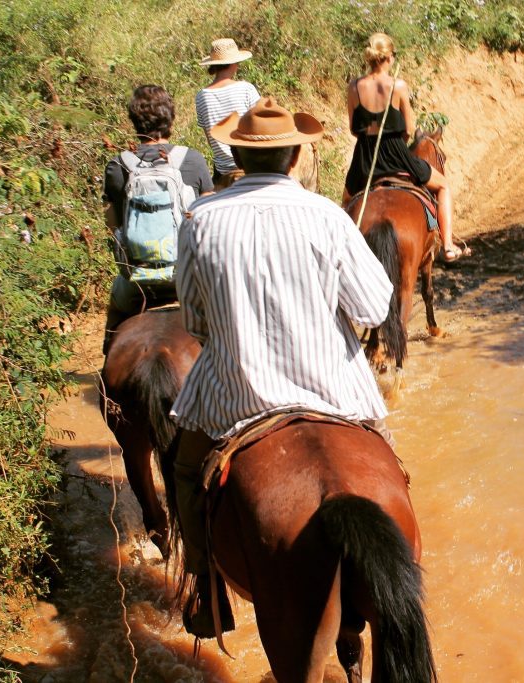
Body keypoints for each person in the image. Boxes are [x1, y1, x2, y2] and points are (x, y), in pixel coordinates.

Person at [169, 97, 395, 638]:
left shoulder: (200, 220)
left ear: (238, 156)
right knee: (387, 467)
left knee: (183, 470)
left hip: (235, 399)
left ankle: (206, 589)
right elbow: (372, 309)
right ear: (295, 157)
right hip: (336, 394)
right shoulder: (328, 216)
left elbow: (196, 322)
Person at [102, 85, 212, 353]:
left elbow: (112, 224)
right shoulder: (193, 160)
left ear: (134, 122)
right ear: (170, 118)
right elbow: (210, 219)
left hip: (136, 281)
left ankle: (107, 363)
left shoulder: (118, 166)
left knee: (114, 318)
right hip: (189, 279)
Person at [343, 32, 470, 262]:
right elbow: (409, 129)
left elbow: (354, 128)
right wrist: (396, 143)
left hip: (364, 159)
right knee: (442, 186)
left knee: (345, 203)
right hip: (396, 153)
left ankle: (340, 252)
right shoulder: (398, 86)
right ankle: (449, 245)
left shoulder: (353, 87)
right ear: (389, 57)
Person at [195, 38, 261, 189]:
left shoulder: (201, 95)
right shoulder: (245, 88)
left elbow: (209, 136)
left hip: (222, 171)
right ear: (233, 63)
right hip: (249, 166)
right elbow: (259, 125)